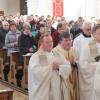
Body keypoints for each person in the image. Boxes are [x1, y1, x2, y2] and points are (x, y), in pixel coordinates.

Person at [28, 34, 71, 100]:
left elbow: (68, 67)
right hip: (44, 92)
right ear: (41, 43)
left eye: (51, 41)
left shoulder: (57, 54)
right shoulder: (35, 57)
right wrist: (51, 68)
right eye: (47, 42)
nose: (50, 44)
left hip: (57, 90)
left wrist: (59, 67)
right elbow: (35, 72)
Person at [53, 32, 79, 100]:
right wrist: (68, 63)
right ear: (60, 41)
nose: (68, 42)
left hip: (75, 80)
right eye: (66, 40)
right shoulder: (55, 51)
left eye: (70, 40)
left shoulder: (75, 50)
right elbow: (55, 67)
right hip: (63, 81)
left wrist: (75, 63)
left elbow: (81, 63)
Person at [79, 25, 100, 100]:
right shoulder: (88, 47)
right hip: (93, 82)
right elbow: (83, 65)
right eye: (99, 34)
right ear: (93, 35)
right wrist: (97, 65)